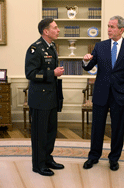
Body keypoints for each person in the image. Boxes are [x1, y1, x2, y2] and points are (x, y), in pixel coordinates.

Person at [82, 15, 124, 171]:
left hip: (121, 95)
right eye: (108, 26)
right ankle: (93, 156)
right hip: (101, 93)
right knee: (97, 127)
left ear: (121, 30)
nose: (108, 29)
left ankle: (114, 158)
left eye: (112, 27)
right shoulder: (99, 46)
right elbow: (89, 67)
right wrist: (86, 60)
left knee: (118, 128)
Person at [25, 18, 65, 176]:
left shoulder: (52, 46)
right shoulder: (35, 49)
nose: (58, 30)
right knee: (39, 133)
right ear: (46, 31)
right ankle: (38, 165)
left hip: (51, 98)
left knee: (50, 131)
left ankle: (48, 159)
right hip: (40, 99)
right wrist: (52, 73)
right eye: (55, 28)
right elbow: (30, 73)